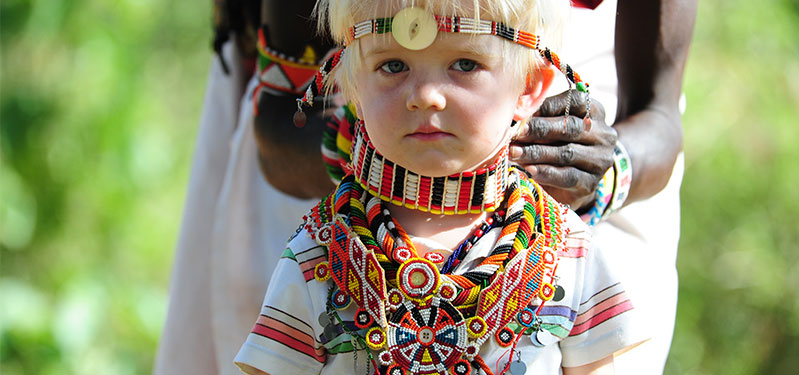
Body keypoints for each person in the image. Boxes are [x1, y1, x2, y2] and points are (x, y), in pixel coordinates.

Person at [154, 0, 696, 373]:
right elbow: (285, 115)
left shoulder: (571, 255)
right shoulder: (320, 254)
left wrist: (602, 165)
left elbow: (657, 113)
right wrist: (383, 144)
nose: (428, 97)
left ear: (533, 88)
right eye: (399, 66)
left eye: (461, 65)